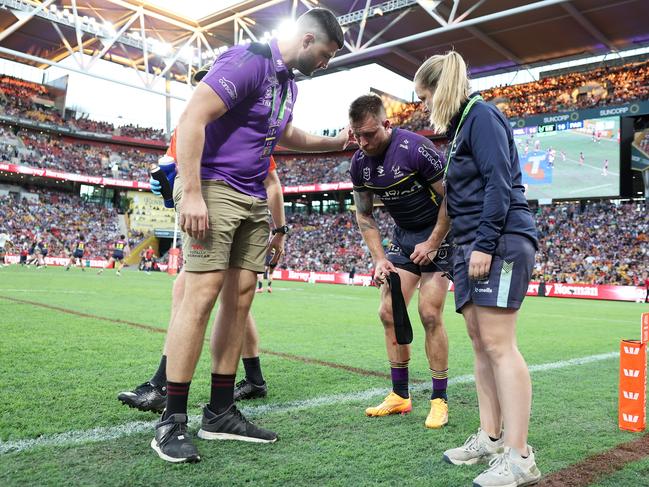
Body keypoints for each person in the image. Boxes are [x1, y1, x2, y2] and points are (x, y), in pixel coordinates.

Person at [151, 8, 347, 463]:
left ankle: (220, 411)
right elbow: (192, 118)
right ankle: (171, 421)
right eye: (324, 53)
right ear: (306, 37)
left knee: (240, 297)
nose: (324, 63)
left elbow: (285, 133)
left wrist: (333, 142)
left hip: (253, 195)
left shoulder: (287, 84)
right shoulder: (248, 61)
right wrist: (194, 194)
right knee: (200, 296)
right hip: (214, 186)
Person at [414, 50, 541, 486]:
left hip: (498, 241)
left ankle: (520, 455)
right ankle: (491, 437)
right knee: (480, 341)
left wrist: (484, 243)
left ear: (440, 88)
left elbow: (498, 183)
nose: (423, 106)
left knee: (499, 344)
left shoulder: (482, 116)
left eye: (423, 96)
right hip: (469, 245)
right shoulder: (462, 127)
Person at [348, 94, 452, 429]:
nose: (363, 142)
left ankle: (439, 399)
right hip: (405, 238)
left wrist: (434, 242)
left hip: (440, 235)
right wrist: (379, 259)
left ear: (386, 124)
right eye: (357, 135)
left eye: (370, 134)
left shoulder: (416, 148)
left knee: (429, 312)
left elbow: (451, 198)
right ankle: (400, 395)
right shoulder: (359, 164)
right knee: (388, 311)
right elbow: (364, 216)